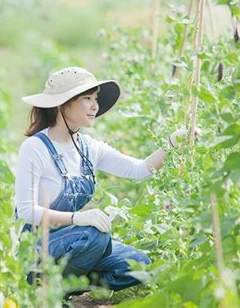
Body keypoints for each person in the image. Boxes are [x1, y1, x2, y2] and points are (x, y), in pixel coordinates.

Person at [15, 67, 186, 292]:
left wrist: (172, 144)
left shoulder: (88, 147)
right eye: (86, 98)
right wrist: (77, 218)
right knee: (94, 235)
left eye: (95, 98)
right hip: (37, 248)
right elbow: (27, 211)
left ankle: (68, 284)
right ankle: (43, 289)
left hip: (74, 244)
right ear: (62, 104)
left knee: (140, 266)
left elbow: (139, 169)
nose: (95, 105)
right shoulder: (35, 148)